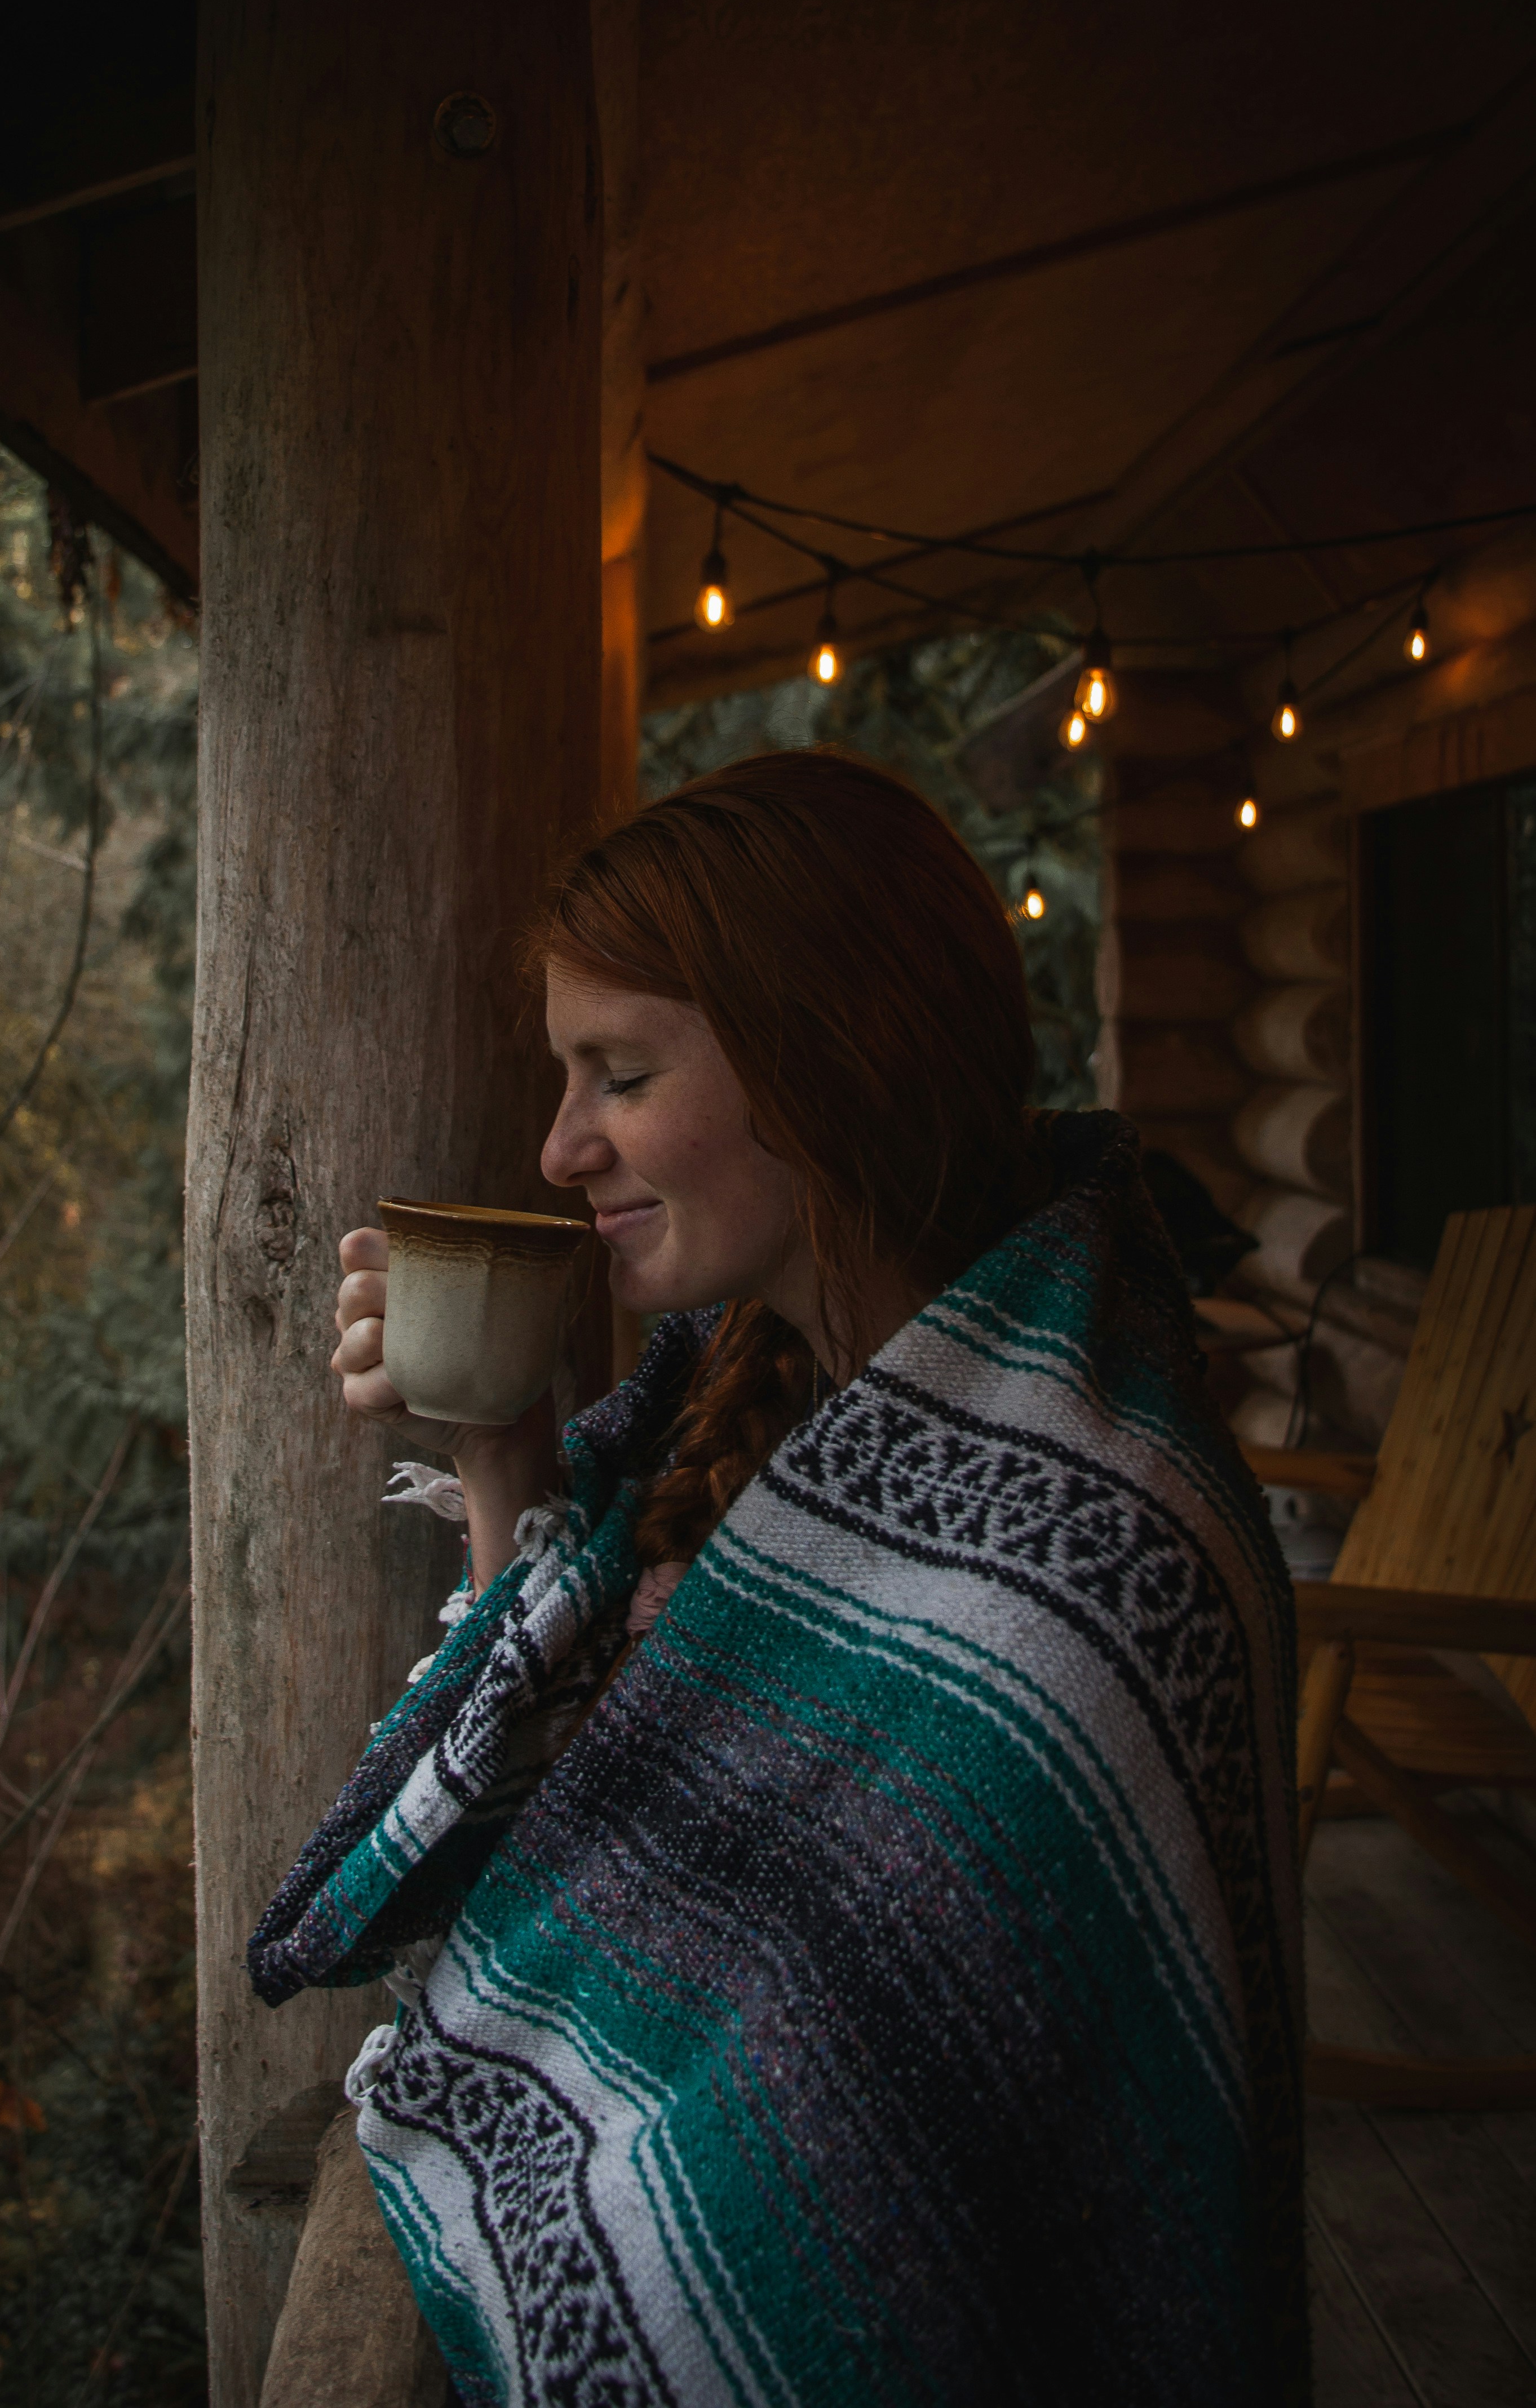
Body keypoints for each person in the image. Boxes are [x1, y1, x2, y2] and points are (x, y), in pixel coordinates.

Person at [249, 751, 1304, 2407]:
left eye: (620, 1075)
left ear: (834, 1056)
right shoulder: (753, 1394)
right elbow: (566, 1843)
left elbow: (849, 2214)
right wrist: (499, 1460)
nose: (559, 1148)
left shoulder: (1089, 1573)